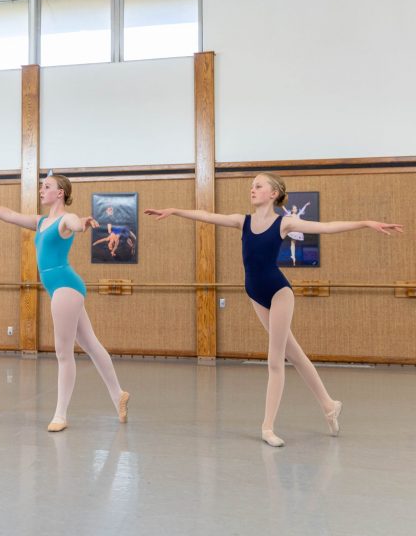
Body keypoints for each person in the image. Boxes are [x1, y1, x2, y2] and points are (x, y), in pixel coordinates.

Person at [145, 173, 403, 446]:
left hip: (279, 293)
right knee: (296, 354)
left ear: (273, 193)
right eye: (251, 186)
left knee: (275, 360)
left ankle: (267, 427)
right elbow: (206, 216)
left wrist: (365, 223)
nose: (252, 190)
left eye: (258, 186)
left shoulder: (284, 223)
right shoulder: (241, 221)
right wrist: (174, 210)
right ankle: (329, 405)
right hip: (255, 294)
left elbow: (326, 227)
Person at [0, 174, 129, 432]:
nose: (41, 190)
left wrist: (82, 223)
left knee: (63, 353)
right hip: (63, 288)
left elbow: (74, 221)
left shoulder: (62, 221)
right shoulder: (41, 222)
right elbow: (9, 214)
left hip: (65, 287)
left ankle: (60, 414)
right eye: (41, 186)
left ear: (60, 193)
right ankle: (118, 394)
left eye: (46, 187)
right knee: (90, 343)